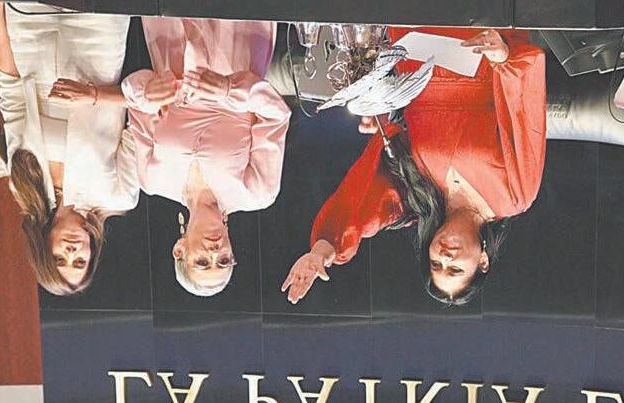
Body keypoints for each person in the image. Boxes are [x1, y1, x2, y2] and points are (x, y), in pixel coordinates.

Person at [282, 27, 546, 306]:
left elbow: (364, 207)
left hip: (417, 50)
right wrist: (505, 58)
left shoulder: (418, 196)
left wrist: (323, 250)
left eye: (436, 264)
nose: (445, 258)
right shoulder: (514, 197)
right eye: (455, 269)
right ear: (483, 261)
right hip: (479, 45)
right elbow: (524, 114)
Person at [122, 17, 291, 297]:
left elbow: (134, 101)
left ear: (180, 249)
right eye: (224, 260)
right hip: (236, 43)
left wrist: (147, 93)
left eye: (202, 262)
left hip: (172, 40)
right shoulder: (257, 193)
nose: (215, 252)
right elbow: (277, 115)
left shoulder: (151, 180)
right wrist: (228, 90)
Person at [0, 3, 136, 296]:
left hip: (29, 34)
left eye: (60, 259)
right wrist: (94, 97)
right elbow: (146, 112)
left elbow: (10, 94)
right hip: (97, 39)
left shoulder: (24, 186)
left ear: (44, 248)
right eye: (80, 261)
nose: (71, 251)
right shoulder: (118, 196)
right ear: (92, 252)